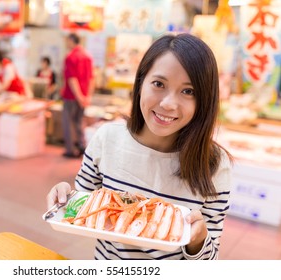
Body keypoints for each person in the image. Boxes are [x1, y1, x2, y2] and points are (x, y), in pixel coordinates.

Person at [47, 33, 233, 260]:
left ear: (205, 99)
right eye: (158, 84)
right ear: (140, 83)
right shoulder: (107, 138)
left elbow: (209, 258)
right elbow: (81, 202)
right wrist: (64, 197)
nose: (168, 104)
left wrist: (197, 240)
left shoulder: (215, 164)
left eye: (188, 91)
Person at [61, 33, 94, 158]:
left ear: (71, 41)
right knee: (79, 121)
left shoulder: (70, 57)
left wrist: (79, 96)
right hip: (84, 96)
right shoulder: (88, 56)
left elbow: (72, 79)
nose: (66, 43)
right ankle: (81, 146)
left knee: (68, 122)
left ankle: (70, 150)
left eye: (67, 41)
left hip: (71, 96)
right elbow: (92, 78)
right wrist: (87, 96)